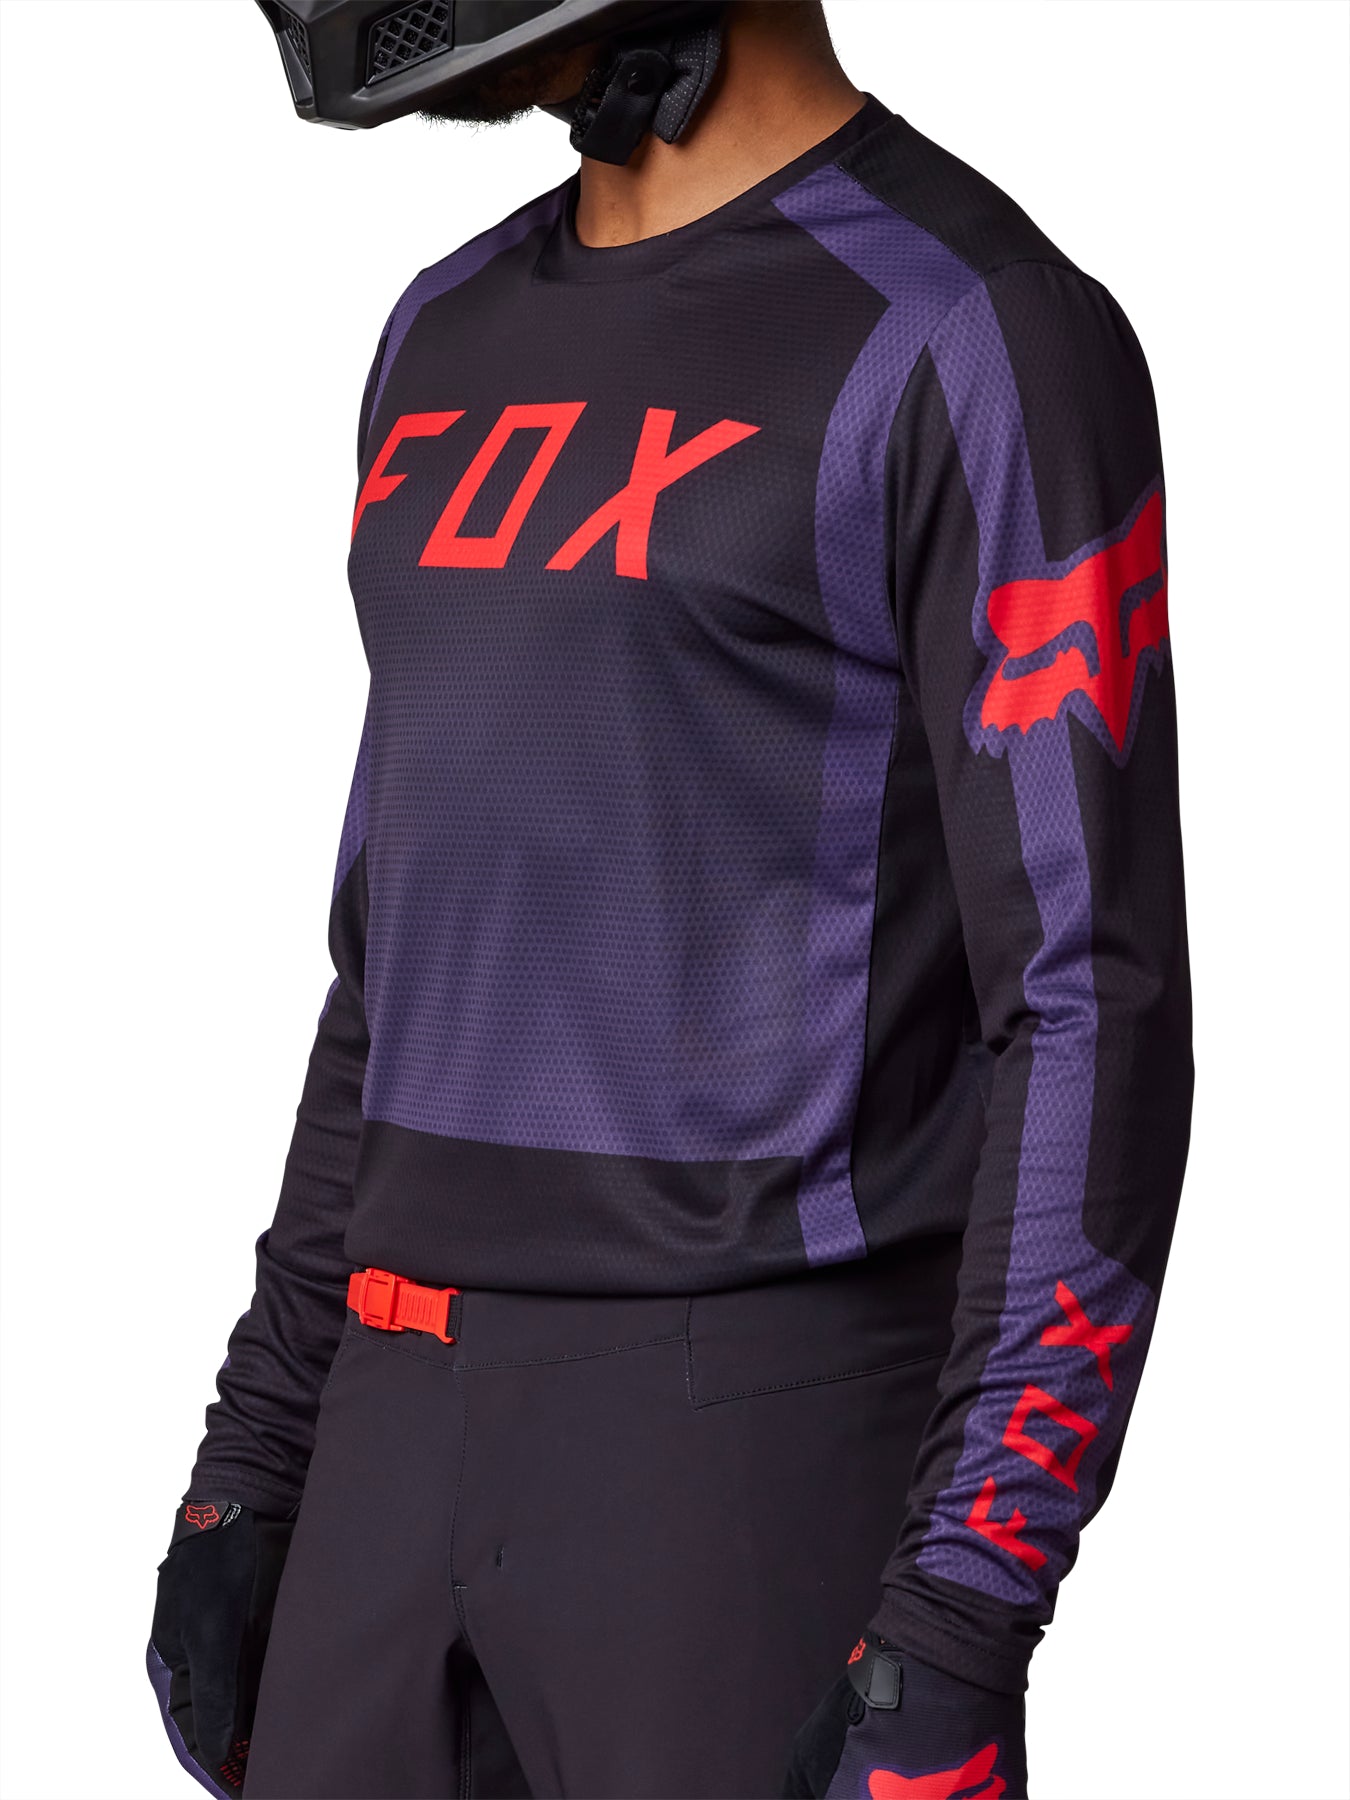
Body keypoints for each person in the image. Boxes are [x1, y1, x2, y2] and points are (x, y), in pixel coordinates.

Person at [147, 4, 1193, 1796]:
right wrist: (256, 1453)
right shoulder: (442, 334)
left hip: (745, 1458)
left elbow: (1089, 1004)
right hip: (386, 1432)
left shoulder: (969, 330)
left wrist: (964, 1603)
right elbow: (394, 966)